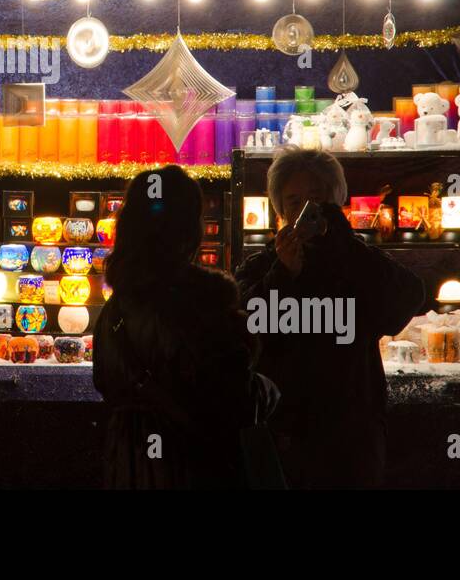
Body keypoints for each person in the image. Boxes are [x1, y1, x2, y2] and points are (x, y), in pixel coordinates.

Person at [234, 147, 426, 488]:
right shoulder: (262, 267)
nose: (303, 211)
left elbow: (404, 301)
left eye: (315, 200)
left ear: (334, 202)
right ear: (279, 208)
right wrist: (282, 276)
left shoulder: (356, 262)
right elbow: (243, 332)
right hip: (282, 436)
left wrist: (344, 244)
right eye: (293, 202)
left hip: (350, 438)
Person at [93, 165, 275, 489]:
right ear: (190, 230)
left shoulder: (115, 309)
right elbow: (235, 402)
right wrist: (268, 389)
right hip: (190, 469)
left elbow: (106, 383)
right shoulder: (202, 305)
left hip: (130, 468)